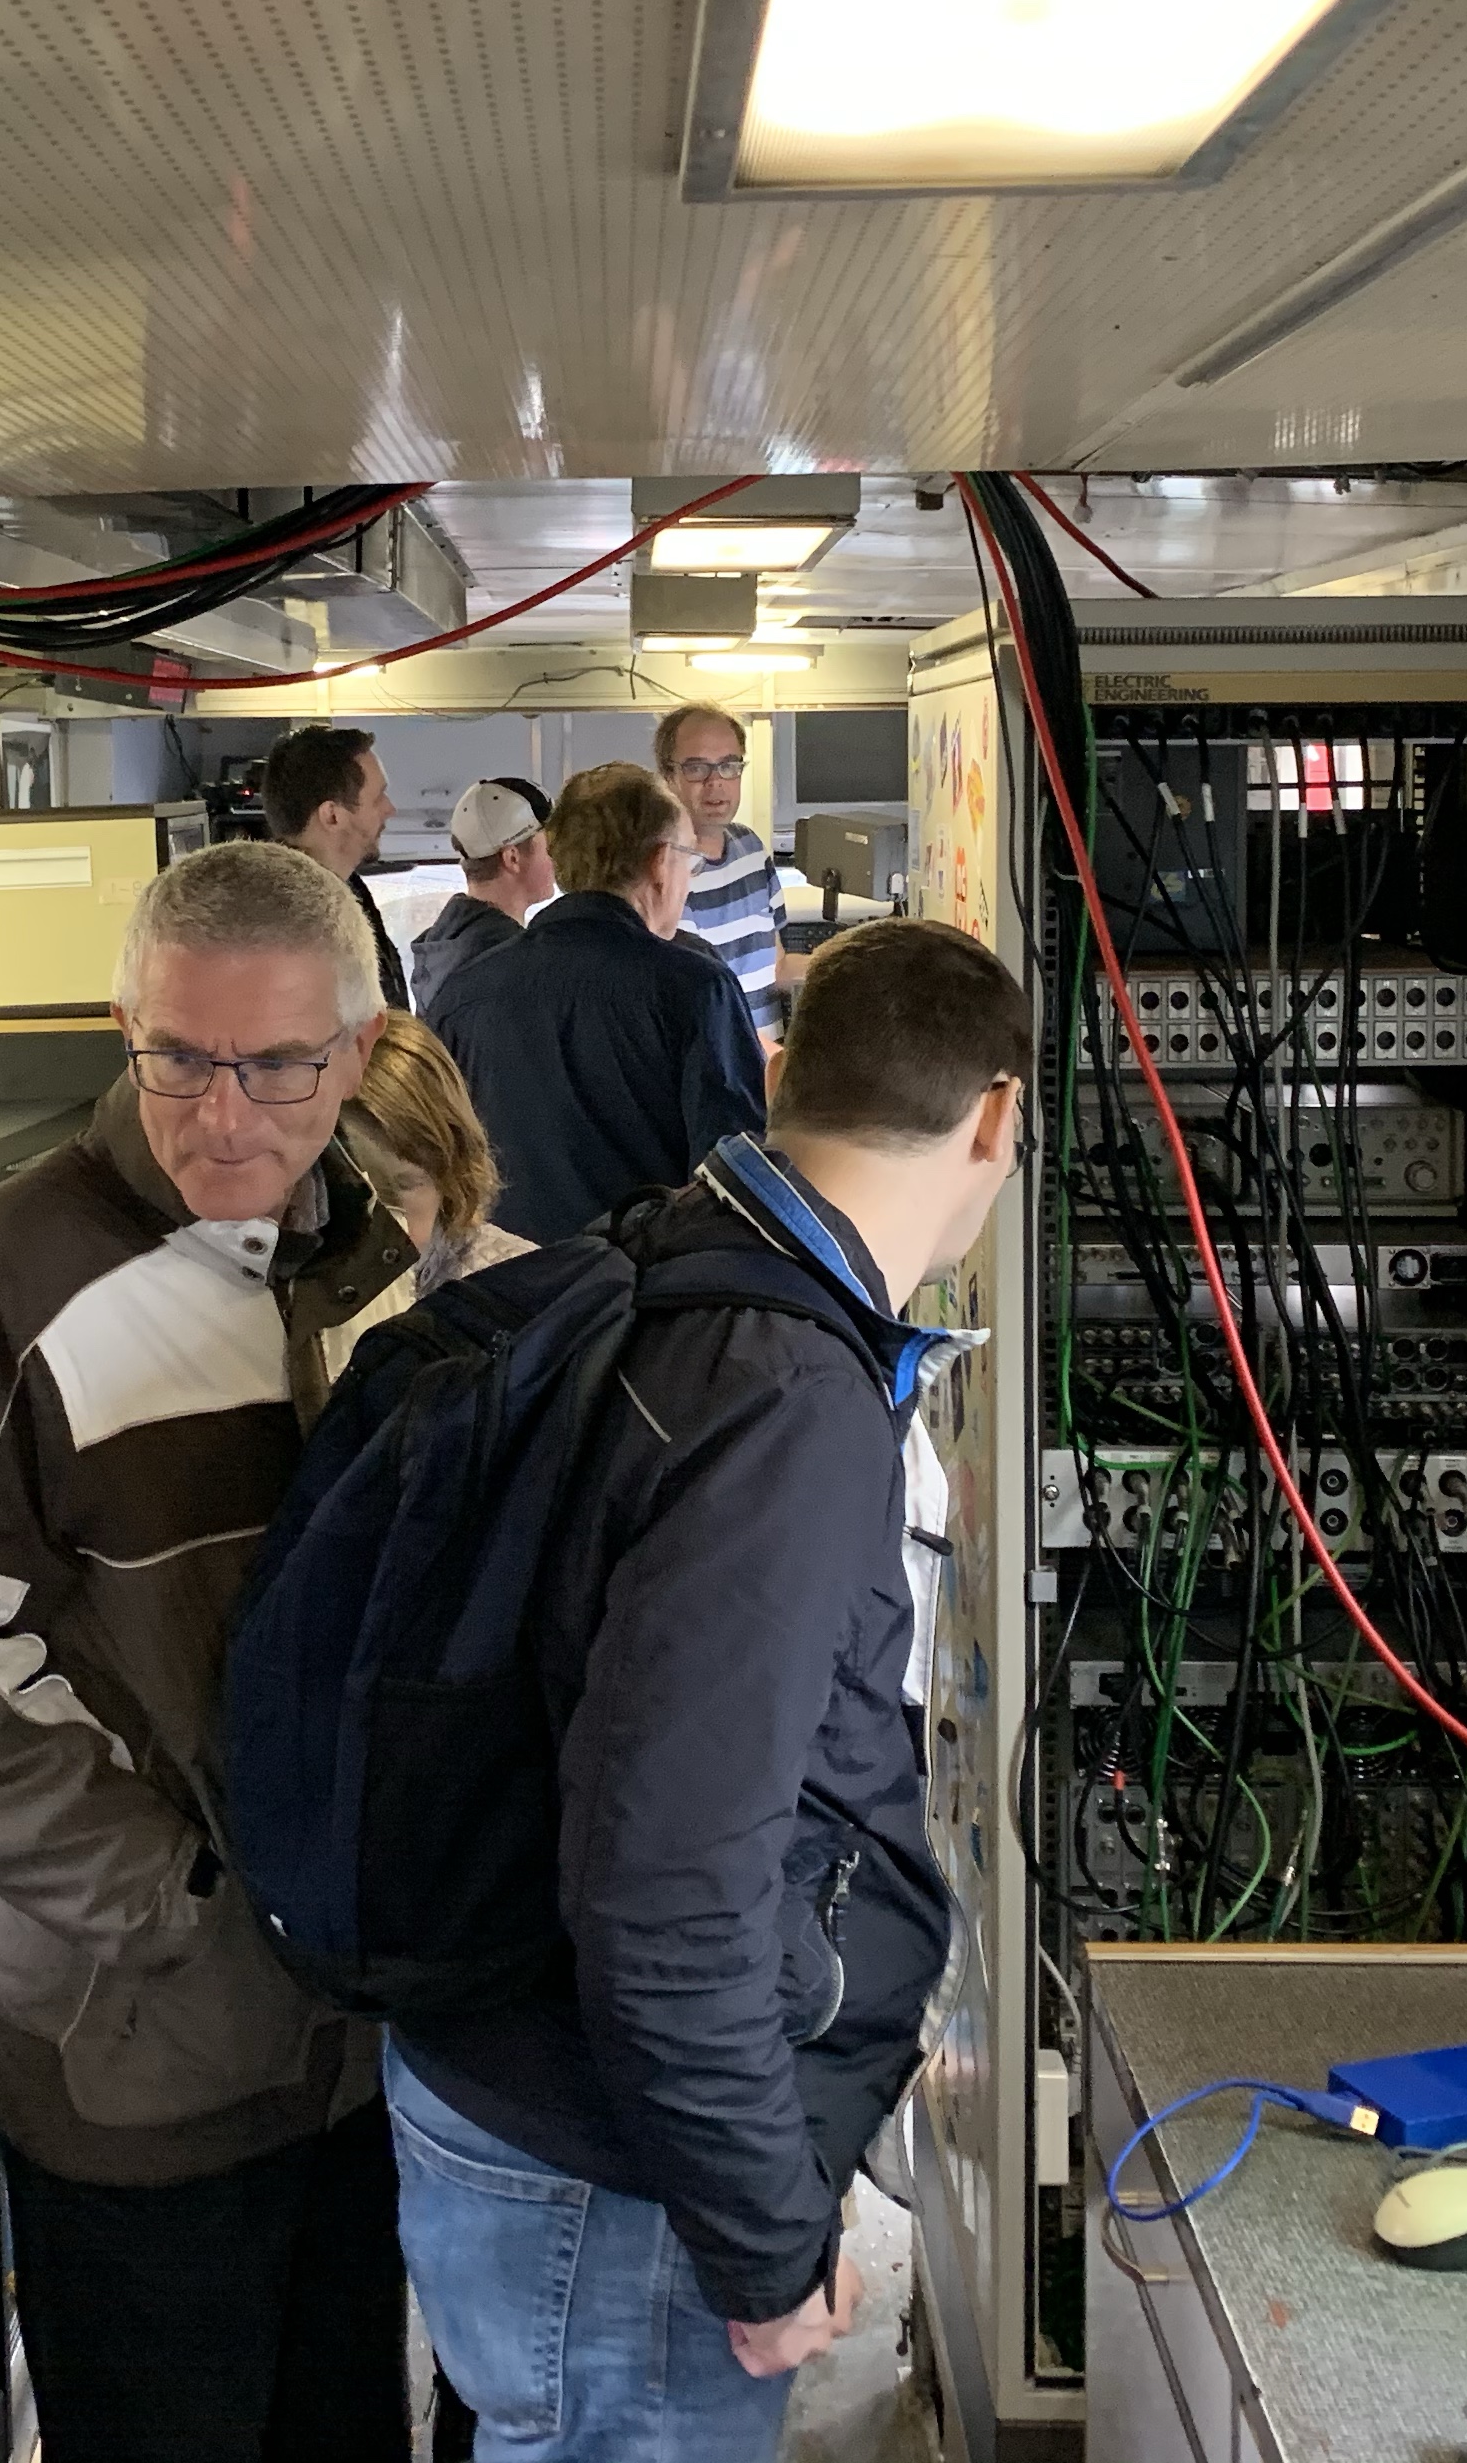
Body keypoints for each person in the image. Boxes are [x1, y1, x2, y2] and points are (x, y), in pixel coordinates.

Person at [384, 919, 1025, 2461]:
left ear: (784, 1072)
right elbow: (668, 1882)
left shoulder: (672, 1256)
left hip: (527, 2089)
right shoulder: (783, 1398)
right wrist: (762, 2232)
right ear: (996, 1118)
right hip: (618, 2179)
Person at [0, 838, 418, 2463]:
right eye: (177, 1058)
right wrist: (175, 1902)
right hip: (136, 2058)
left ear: (358, 1048)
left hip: (354, 2055)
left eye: (277, 1064)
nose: (223, 1115)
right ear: (123, 1027)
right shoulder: (12, 1277)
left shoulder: (364, 1253)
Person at [427, 762, 765, 1242]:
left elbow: (442, 1171)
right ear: (660, 862)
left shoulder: (460, 996)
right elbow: (735, 1181)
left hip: (505, 1280)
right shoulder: (695, 988)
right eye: (689, 860)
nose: (688, 881)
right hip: (645, 1281)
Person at [350, 1012, 534, 1298]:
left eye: (400, 1187)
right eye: (353, 1185)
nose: (378, 1219)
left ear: (450, 1173)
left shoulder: (520, 1291)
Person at [657, 705, 789, 1043]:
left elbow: (776, 967)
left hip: (768, 1062)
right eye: (696, 768)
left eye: (729, 766)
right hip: (719, 1064)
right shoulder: (660, 874)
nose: (715, 783)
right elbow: (691, 1009)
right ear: (667, 776)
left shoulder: (750, 848)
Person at [263, 724, 408, 1013]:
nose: (390, 809)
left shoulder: (350, 889)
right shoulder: (290, 928)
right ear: (332, 816)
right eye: (378, 797)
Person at [410, 777, 554, 1016]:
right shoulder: (513, 962)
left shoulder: (442, 948)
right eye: (548, 846)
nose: (555, 857)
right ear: (512, 858)